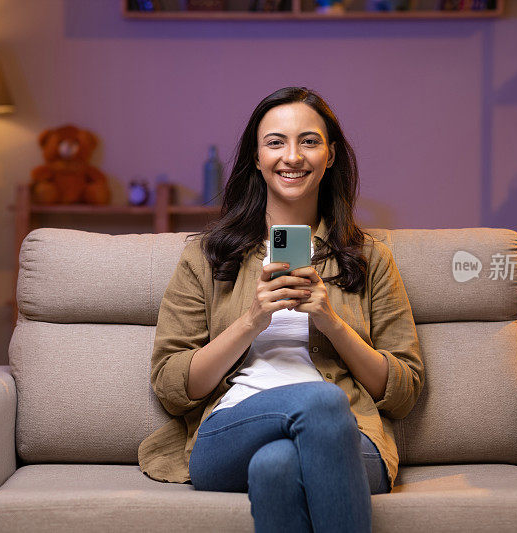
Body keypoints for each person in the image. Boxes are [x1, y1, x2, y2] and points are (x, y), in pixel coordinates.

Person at [137, 86, 424, 532]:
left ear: (330, 156)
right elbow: (172, 386)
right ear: (256, 157)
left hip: (350, 439)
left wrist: (332, 323)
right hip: (232, 430)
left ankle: (318, 413)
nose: (293, 156)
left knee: (277, 466)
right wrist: (252, 321)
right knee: (319, 401)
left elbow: (404, 391)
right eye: (275, 142)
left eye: (309, 141)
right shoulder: (207, 256)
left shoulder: (370, 257)